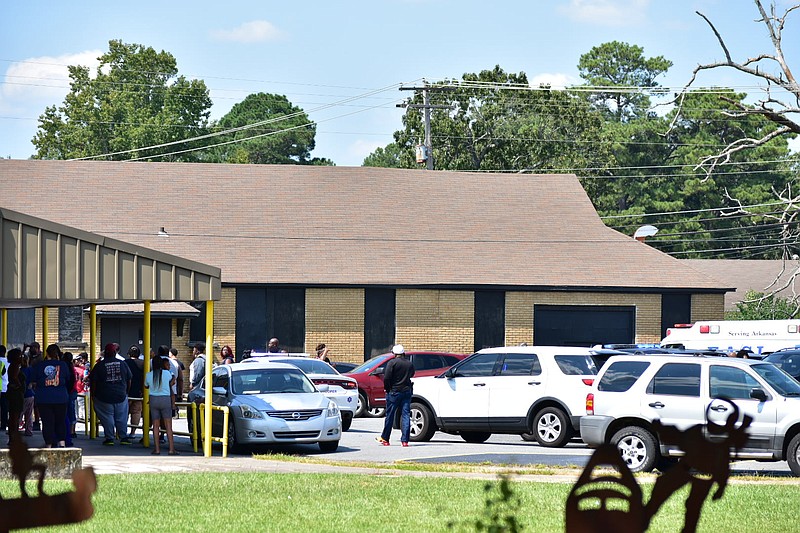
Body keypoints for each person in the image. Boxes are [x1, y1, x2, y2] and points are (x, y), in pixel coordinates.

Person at [89, 343, 133, 446]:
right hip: (121, 395)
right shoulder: (123, 364)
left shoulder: (99, 365)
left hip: (103, 396)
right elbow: (129, 379)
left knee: (107, 417)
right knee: (121, 417)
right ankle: (124, 437)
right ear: (114, 353)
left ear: (105, 353)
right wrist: (126, 391)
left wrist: (93, 395)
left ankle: (109, 438)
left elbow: (93, 382)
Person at [31, 344, 73, 448]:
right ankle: (62, 443)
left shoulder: (40, 365)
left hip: (44, 398)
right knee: (60, 421)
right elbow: (68, 379)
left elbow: (33, 379)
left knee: (47, 422)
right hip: (61, 397)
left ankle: (49, 444)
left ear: (47, 353)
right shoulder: (63, 365)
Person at [376, 344, 415, 447]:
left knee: (390, 415)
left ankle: (385, 439)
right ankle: (405, 440)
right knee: (406, 415)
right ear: (403, 353)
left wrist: (387, 389)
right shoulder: (409, 363)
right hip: (406, 392)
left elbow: (387, 378)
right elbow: (412, 374)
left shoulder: (392, 363)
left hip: (394, 392)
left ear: (394, 353)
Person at [145, 355, 177, 455]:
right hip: (165, 399)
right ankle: (171, 449)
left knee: (155, 426)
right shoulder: (167, 373)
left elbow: (146, 386)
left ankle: (157, 449)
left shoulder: (148, 375)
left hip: (153, 399)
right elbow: (172, 382)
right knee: (168, 426)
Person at [125, 346, 145, 438]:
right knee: (136, 412)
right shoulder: (143, 364)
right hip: (139, 391)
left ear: (129, 354)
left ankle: (121, 431)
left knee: (124, 412)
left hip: (126, 391)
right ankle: (133, 432)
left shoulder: (125, 363)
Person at [6, 348, 25, 443]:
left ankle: (12, 436)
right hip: (16, 394)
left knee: (13, 415)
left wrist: (24, 349)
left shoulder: (13, 365)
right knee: (15, 416)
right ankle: (14, 436)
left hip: (12, 393)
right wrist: (19, 385)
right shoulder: (16, 366)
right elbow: (14, 377)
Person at [0, 345, 8, 433]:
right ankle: (3, 425)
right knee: (5, 409)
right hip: (7, 388)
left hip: (1, 387)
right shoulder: (9, 362)